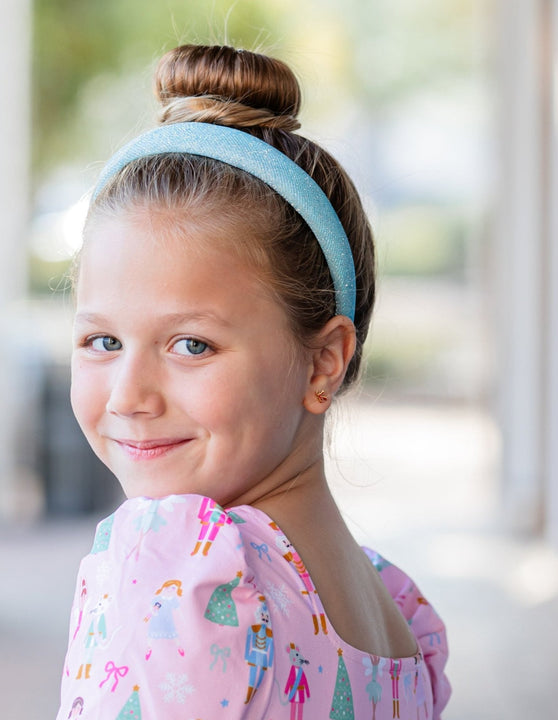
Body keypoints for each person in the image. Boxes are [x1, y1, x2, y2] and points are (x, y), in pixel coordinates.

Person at [56, 44, 450, 719]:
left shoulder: (179, 570)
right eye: (103, 341)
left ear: (323, 361)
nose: (127, 396)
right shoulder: (393, 608)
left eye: (190, 344)